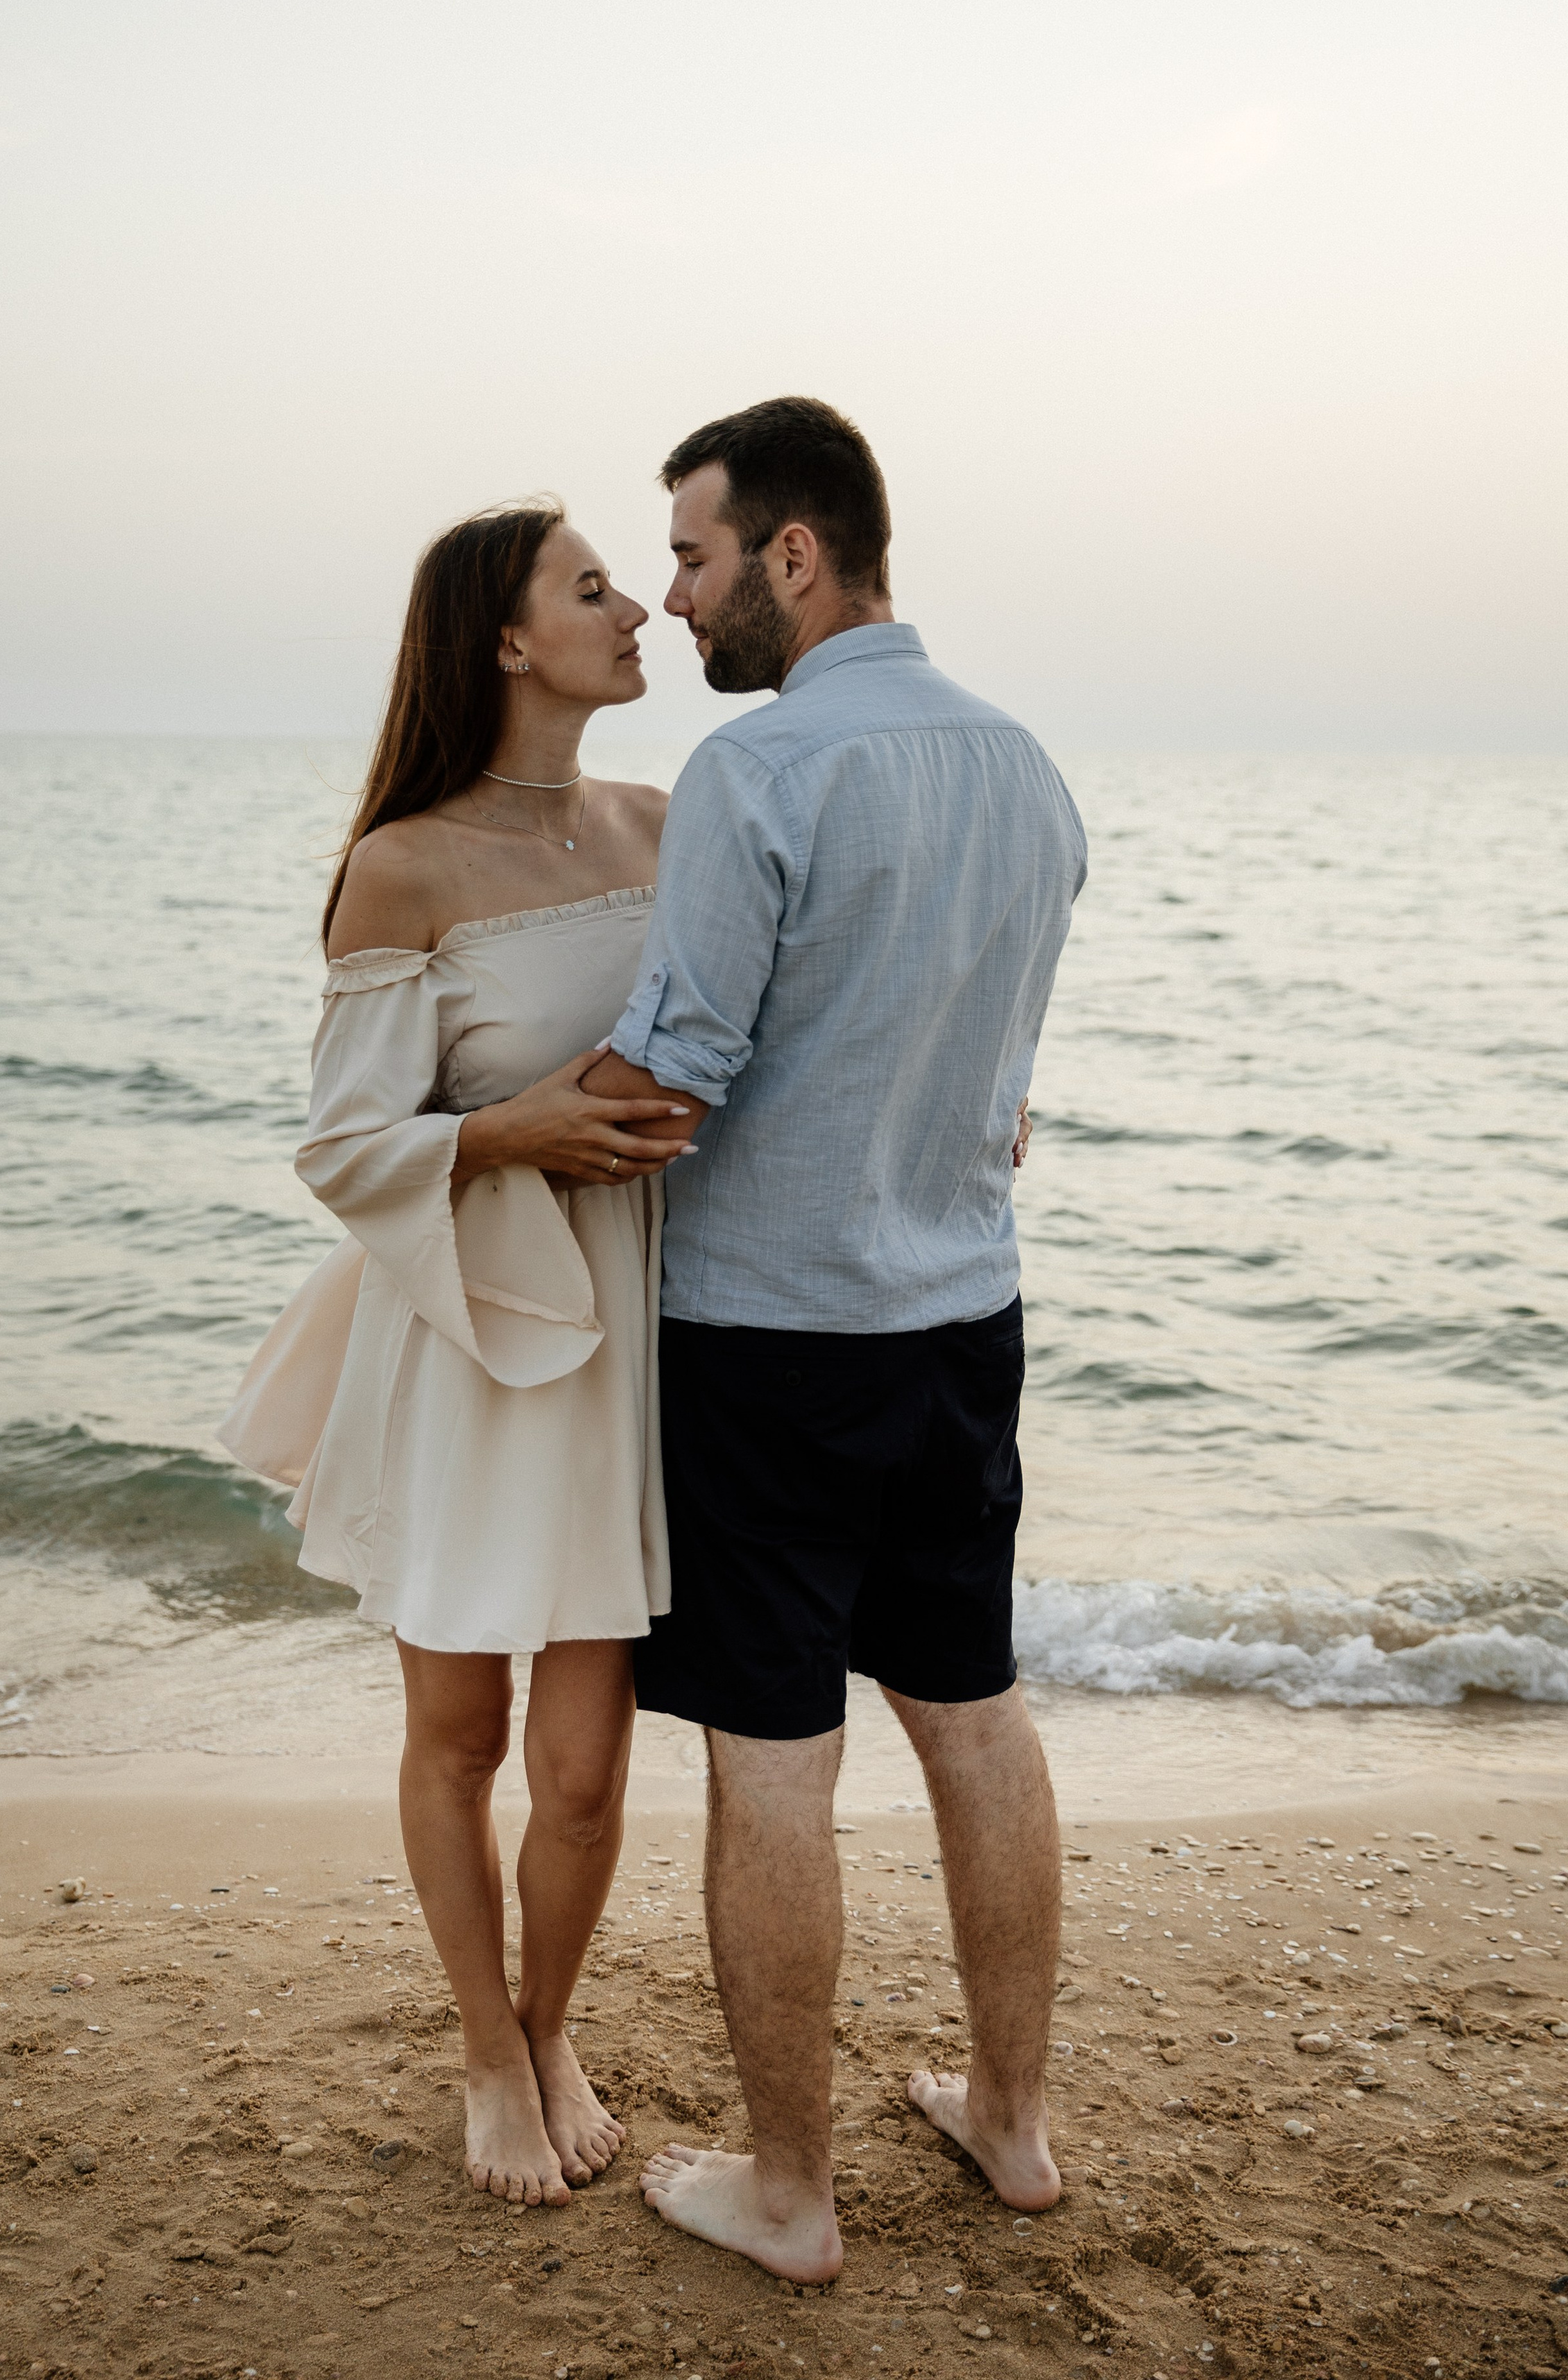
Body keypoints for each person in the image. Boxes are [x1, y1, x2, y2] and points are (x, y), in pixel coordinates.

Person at [579, 398, 1088, 2281]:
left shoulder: (761, 769)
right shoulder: (1028, 769)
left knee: (772, 1758)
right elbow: (1000, 1081)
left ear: (794, 554)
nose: (673, 597)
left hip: (766, 1346)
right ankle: (1012, 2127)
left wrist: (460, 1129)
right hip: (962, 1323)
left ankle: (790, 2195)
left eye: (694, 556)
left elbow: (672, 1080)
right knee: (974, 1714)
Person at [220, 502, 703, 2209]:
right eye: (593, 588)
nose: (636, 608)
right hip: (469, 1334)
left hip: (626, 1341)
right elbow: (346, 1146)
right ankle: (486, 2053)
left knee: (584, 1768)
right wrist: (512, 1131)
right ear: (505, 642)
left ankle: (550, 2025)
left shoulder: (666, 823)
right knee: (461, 1733)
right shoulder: (404, 865)